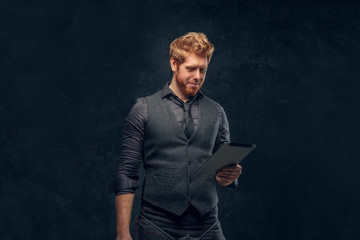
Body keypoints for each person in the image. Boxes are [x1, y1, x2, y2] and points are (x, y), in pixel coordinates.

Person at [112, 32, 242, 240]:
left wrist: (229, 175)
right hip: (156, 225)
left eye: (203, 69)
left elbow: (221, 171)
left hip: (207, 225)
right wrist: (122, 233)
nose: (198, 76)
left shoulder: (217, 111)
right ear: (174, 64)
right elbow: (127, 173)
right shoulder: (143, 109)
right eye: (190, 68)